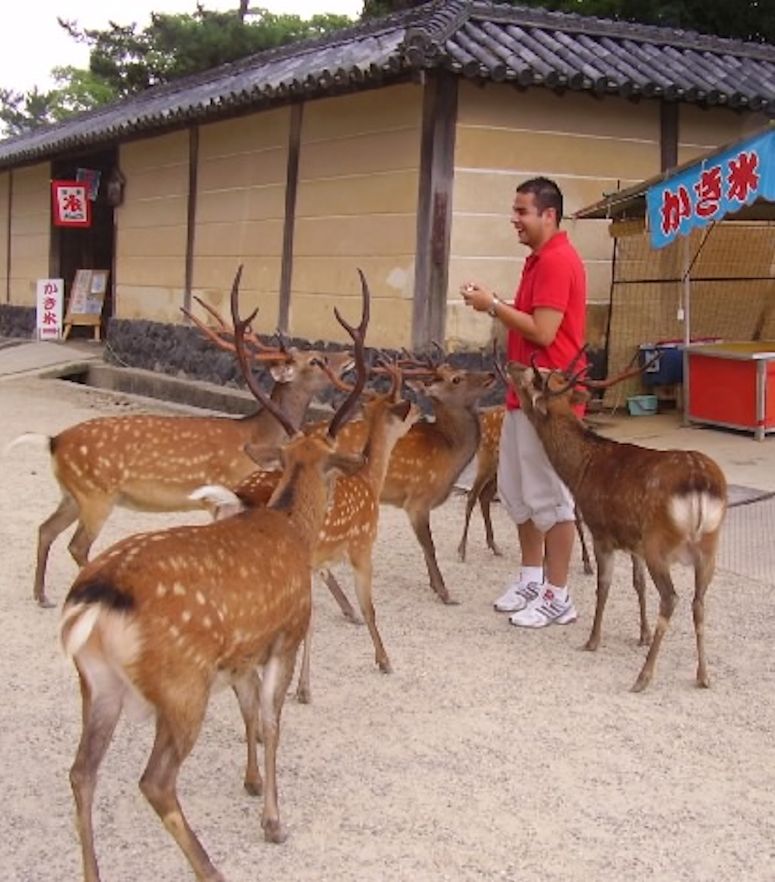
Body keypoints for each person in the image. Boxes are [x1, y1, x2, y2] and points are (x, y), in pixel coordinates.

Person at [461, 176, 587, 628]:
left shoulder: (556, 261)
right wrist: (496, 302)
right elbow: (532, 317)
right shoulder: (538, 260)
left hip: (549, 401)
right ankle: (532, 578)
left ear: (547, 215)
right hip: (524, 394)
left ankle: (558, 595)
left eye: (522, 212)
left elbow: (543, 332)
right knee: (518, 492)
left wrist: (493, 305)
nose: (514, 219)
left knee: (551, 498)